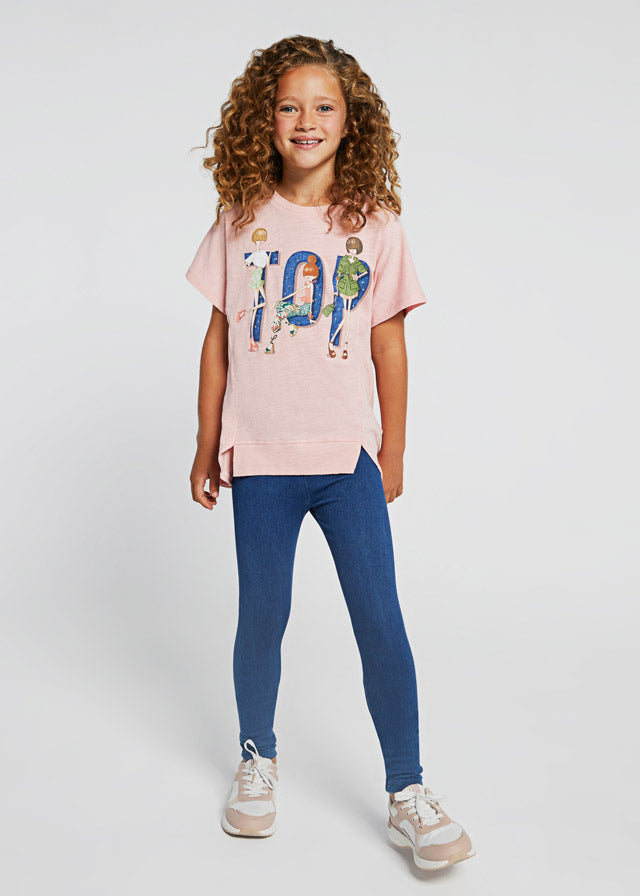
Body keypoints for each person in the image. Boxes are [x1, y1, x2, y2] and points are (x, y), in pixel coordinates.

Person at [185, 35, 475, 871]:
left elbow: (389, 347)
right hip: (259, 458)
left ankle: (407, 790)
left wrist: (394, 450)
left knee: (379, 617)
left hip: (346, 460)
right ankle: (257, 758)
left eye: (323, 106)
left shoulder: (375, 227)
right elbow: (218, 343)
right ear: (263, 120)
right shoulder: (238, 221)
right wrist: (207, 443)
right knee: (262, 615)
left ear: (353, 122)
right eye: (289, 106)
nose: (305, 120)